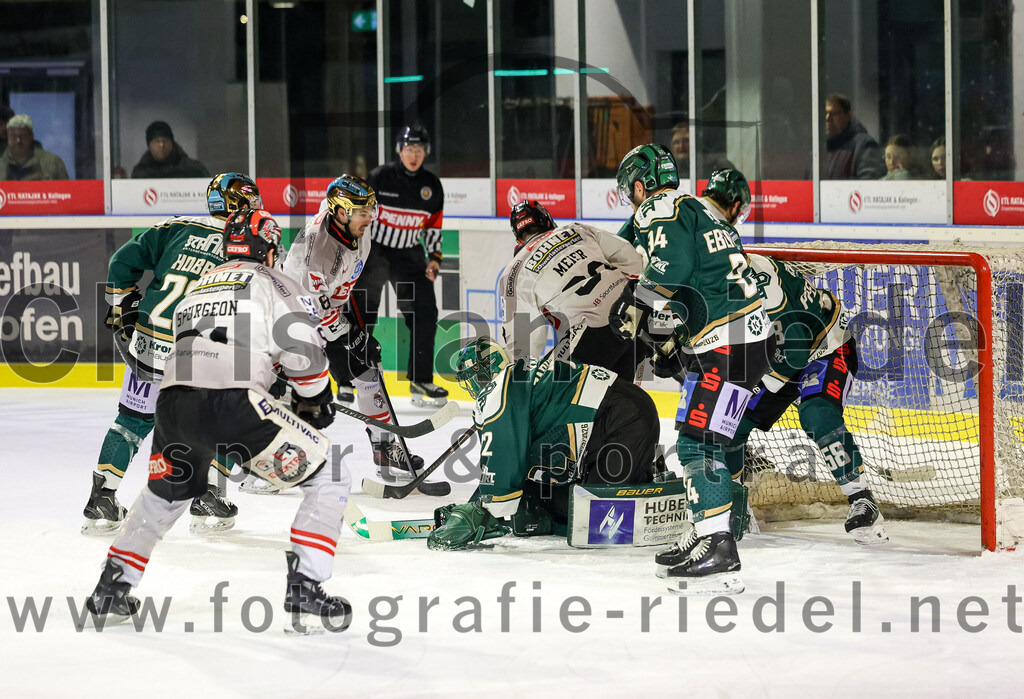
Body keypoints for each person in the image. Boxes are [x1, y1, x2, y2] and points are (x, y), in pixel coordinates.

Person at [85, 208, 352, 632]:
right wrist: (314, 402)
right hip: (234, 405)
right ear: (269, 250)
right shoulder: (276, 281)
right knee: (331, 477)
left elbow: (210, 347)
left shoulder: (199, 286)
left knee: (162, 499)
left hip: (174, 407)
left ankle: (111, 588)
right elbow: (305, 355)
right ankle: (305, 584)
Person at [610, 149, 773, 595]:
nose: (631, 199)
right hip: (745, 342)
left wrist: (635, 305)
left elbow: (672, 270)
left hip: (726, 345)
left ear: (641, 185)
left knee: (696, 443)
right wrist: (674, 334)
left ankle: (719, 548)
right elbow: (694, 276)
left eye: (631, 189)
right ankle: (707, 532)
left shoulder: (659, 208)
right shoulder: (697, 206)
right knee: (706, 439)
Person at [81, 172, 263, 535]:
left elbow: (121, 261)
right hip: (197, 354)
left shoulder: (175, 227)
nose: (257, 208)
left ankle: (102, 498)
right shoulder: (243, 243)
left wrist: (121, 307)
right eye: (251, 201)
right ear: (236, 204)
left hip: (148, 342)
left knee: (131, 422)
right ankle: (208, 494)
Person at [427, 338, 661, 551]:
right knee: (571, 506)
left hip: (620, 419)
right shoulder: (518, 380)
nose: (472, 386)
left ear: (487, 371)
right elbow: (509, 459)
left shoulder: (498, 390)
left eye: (473, 377)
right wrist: (478, 502)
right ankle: (648, 475)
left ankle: (654, 486)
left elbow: (502, 458)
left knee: (601, 526)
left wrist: (479, 511)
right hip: (619, 415)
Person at [279, 174, 435, 488]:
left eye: (370, 210)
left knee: (366, 372)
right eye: (363, 213)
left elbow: (340, 298)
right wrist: (355, 336)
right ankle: (274, 461)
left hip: (330, 307)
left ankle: (385, 451)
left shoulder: (352, 225)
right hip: (294, 319)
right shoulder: (316, 250)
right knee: (288, 390)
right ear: (341, 212)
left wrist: (359, 332)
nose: (370, 218)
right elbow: (320, 316)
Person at [724, 253, 887, 545]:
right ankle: (736, 506)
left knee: (817, 414)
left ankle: (863, 501)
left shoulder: (760, 284)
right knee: (731, 422)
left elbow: (794, 351)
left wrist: (751, 383)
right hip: (778, 350)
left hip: (824, 345)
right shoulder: (711, 279)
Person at [351, 124, 447, 408]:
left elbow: (433, 225)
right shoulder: (381, 177)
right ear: (399, 150)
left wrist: (435, 257)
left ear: (426, 152)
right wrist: (357, 250)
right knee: (362, 314)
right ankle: (353, 378)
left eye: (419, 150)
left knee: (424, 313)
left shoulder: (432, 185)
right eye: (409, 149)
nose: (414, 155)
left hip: (409, 256)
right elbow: (361, 213)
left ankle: (420, 380)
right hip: (376, 253)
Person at [499, 199, 645, 377]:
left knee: (550, 393)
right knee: (628, 394)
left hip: (590, 334)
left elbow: (525, 345)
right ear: (547, 220)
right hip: (634, 313)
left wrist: (520, 380)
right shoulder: (576, 229)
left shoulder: (514, 271)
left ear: (518, 238)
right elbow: (633, 261)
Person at [823, 94, 885, 179]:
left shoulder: (864, 145)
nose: (827, 118)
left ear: (848, 116)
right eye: (825, 113)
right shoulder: (818, 149)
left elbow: (869, 184)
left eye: (834, 113)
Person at [0, 113, 69, 181]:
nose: (18, 141)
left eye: (23, 136)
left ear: (31, 136)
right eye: (14, 136)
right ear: (8, 137)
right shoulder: (1, 166)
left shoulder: (53, 163)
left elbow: (67, 191)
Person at [130, 120, 209, 179]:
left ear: (172, 143)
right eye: (157, 141)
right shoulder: (140, 174)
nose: (161, 145)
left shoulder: (193, 169)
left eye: (165, 141)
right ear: (149, 145)